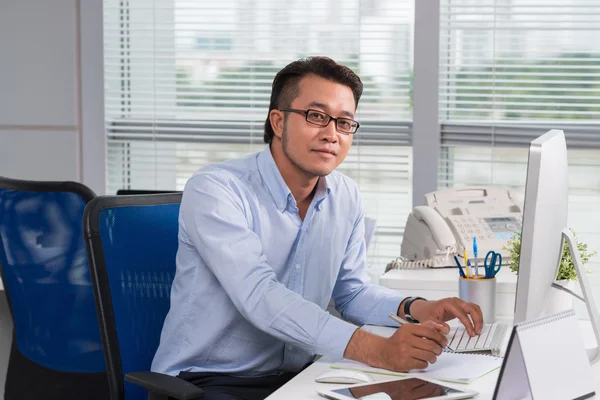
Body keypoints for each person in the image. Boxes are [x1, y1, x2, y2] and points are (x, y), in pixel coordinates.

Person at [151, 56, 484, 400]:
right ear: (278, 122)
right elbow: (259, 297)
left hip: (302, 376)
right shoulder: (217, 189)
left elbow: (351, 293)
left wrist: (415, 308)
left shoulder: (346, 195)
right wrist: (379, 350)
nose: (331, 134)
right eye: (316, 116)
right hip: (208, 381)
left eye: (344, 122)